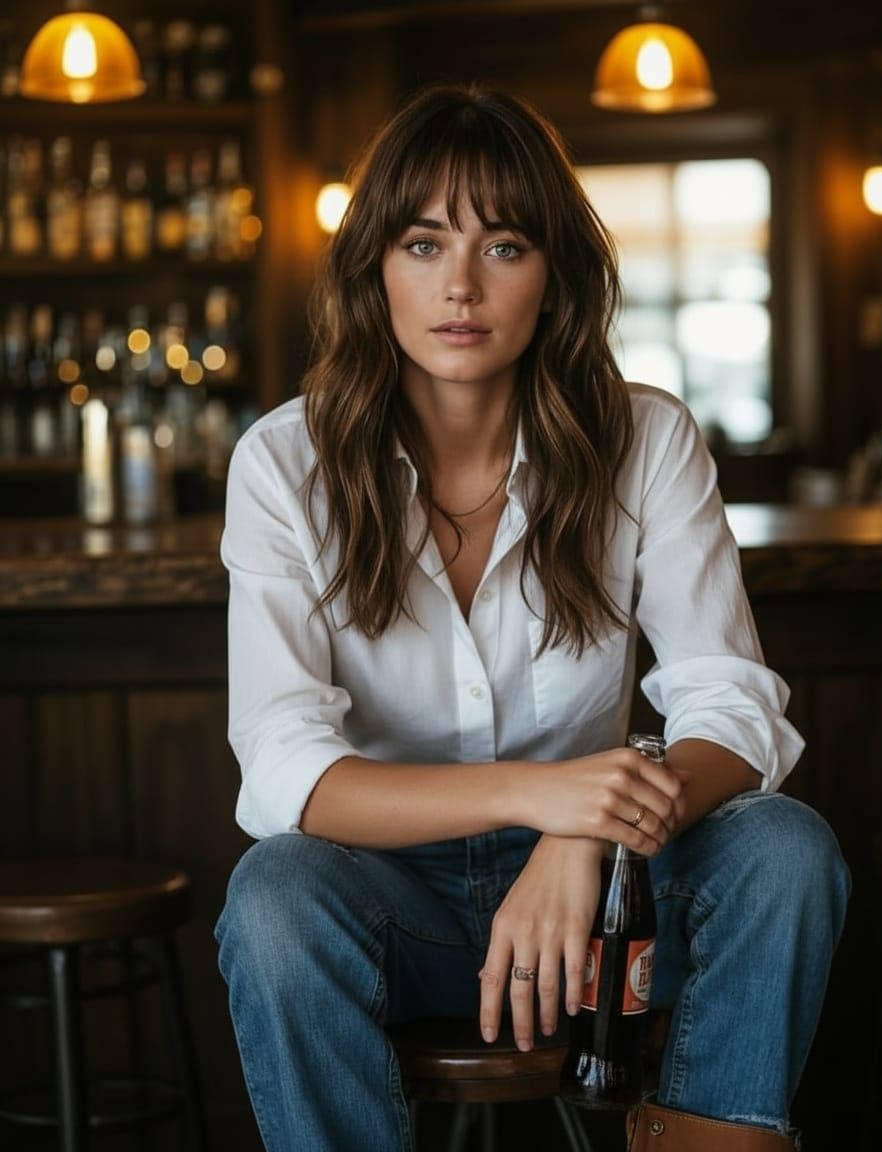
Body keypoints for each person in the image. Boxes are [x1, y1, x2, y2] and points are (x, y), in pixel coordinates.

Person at [215, 84, 849, 1152]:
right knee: (274, 896)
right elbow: (286, 772)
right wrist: (552, 797)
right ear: (372, 266)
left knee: (783, 849)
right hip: (396, 904)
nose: (459, 286)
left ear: (553, 271)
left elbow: (731, 707)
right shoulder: (285, 462)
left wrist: (586, 834)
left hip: (610, 898)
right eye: (422, 243)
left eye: (502, 245)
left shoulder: (644, 438)